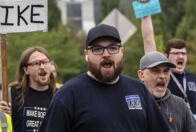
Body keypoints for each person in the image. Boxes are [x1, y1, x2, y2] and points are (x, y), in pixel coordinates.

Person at [38, 24, 169, 132]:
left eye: (113, 48)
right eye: (97, 49)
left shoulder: (138, 90)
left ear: (122, 52)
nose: (106, 54)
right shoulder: (68, 95)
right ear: (86, 54)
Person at [140, 0, 196, 116]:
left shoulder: (192, 77)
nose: (180, 57)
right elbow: (148, 40)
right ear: (166, 56)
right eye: (176, 53)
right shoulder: (161, 75)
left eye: (183, 54)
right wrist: (146, 12)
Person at [0, 46, 57, 132]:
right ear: (26, 70)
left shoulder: (60, 95)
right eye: (36, 63)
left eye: (45, 62)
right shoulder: (10, 93)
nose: (42, 67)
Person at [138, 51, 196, 131]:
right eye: (156, 71)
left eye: (166, 71)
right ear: (141, 75)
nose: (162, 76)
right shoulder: (132, 104)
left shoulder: (180, 105)